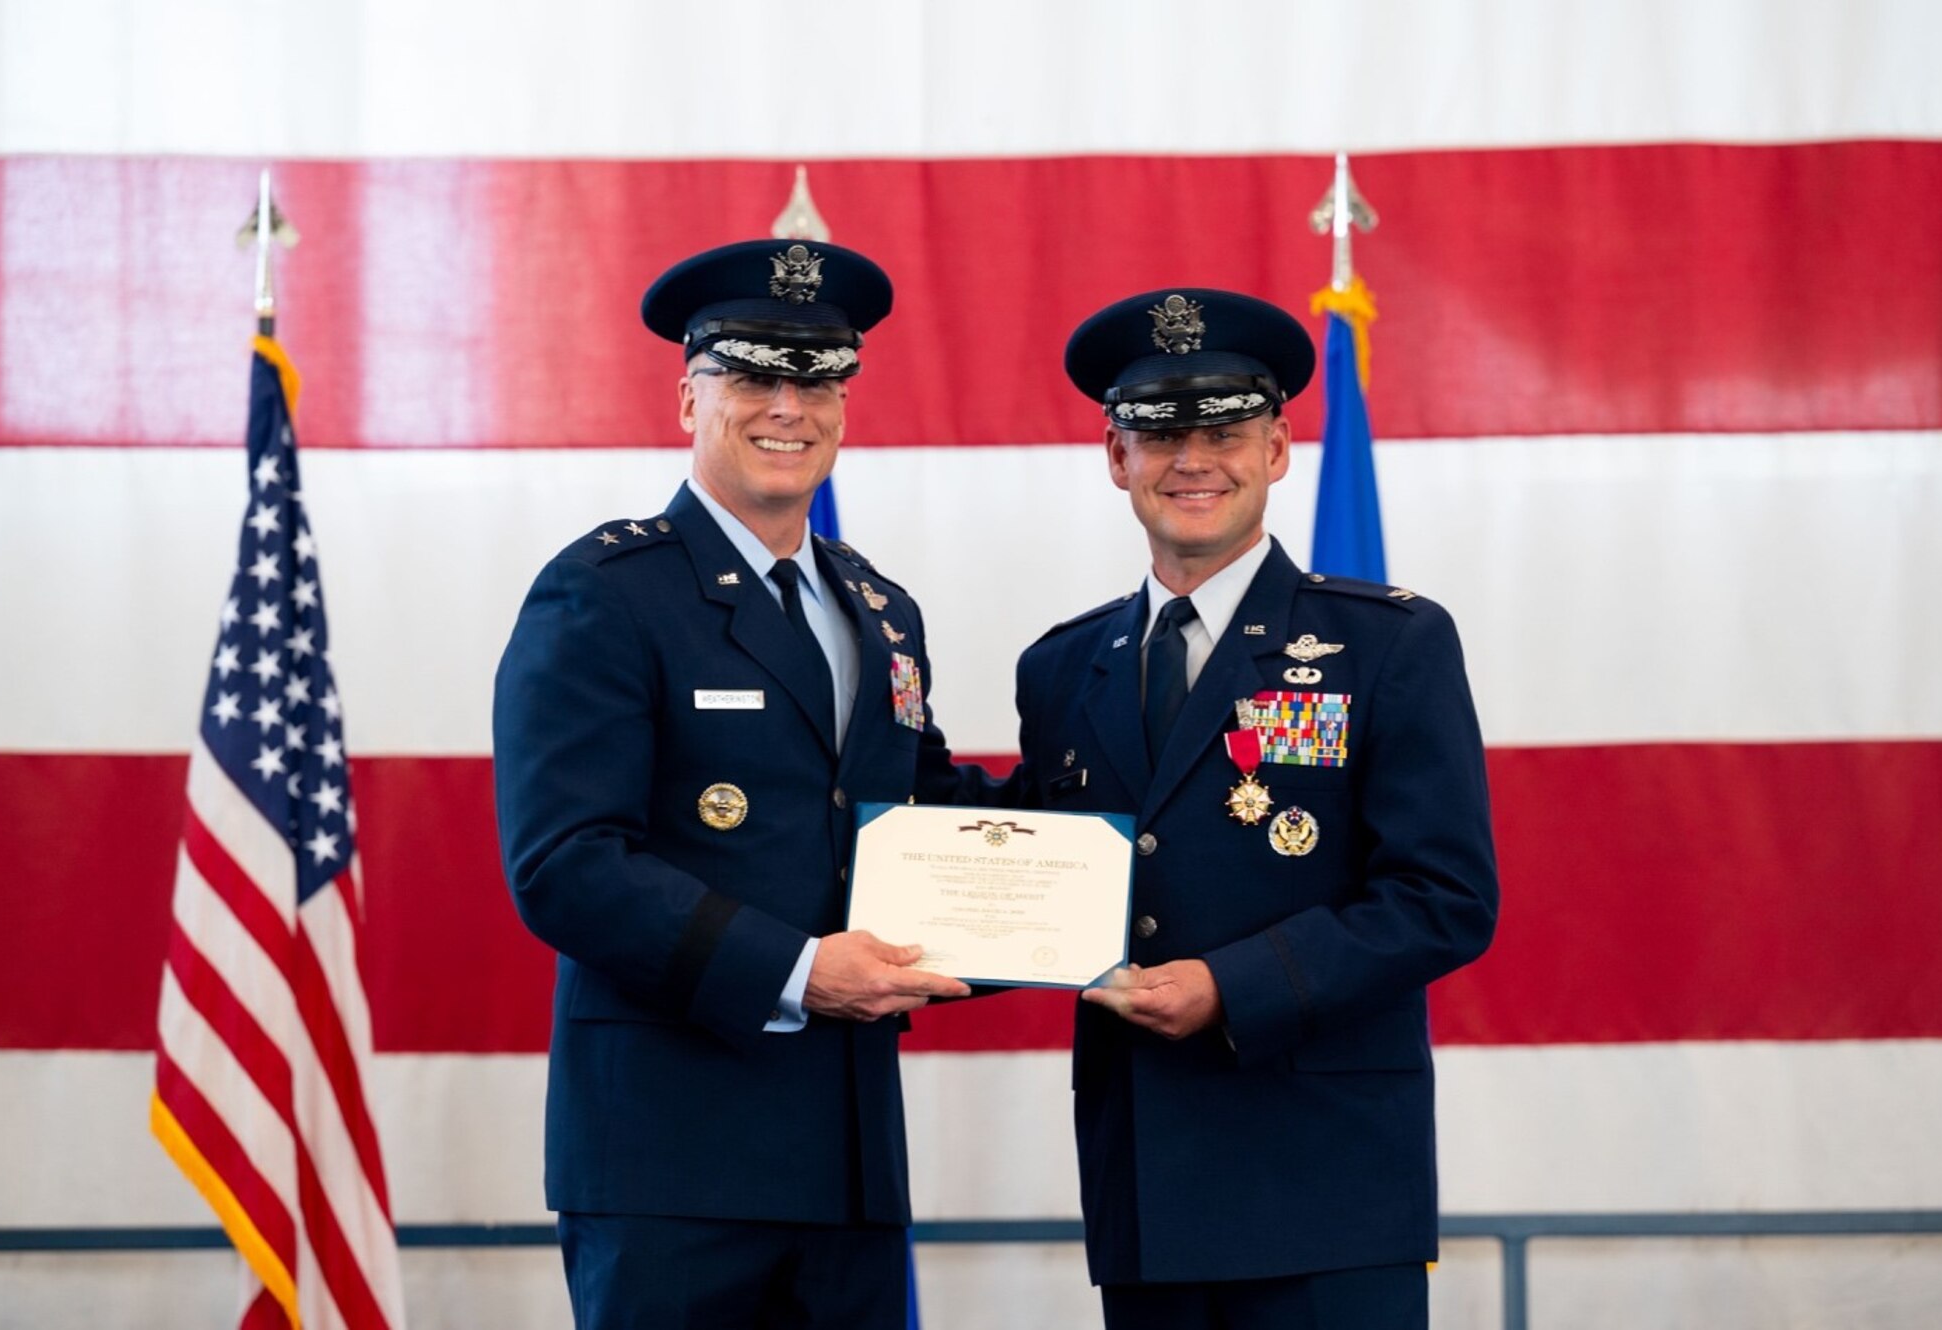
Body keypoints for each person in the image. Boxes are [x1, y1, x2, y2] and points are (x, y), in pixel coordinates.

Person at [493, 238, 988, 1329]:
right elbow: (565, 864)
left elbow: (917, 813)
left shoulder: (877, 606)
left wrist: (1087, 874)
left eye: (813, 379)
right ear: (687, 399)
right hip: (670, 1163)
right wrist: (801, 969)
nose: (786, 406)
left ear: (844, 405)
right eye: (751, 374)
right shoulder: (604, 593)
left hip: (848, 1161)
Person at [1014, 288, 1499, 1329]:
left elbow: (1443, 896)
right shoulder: (1060, 668)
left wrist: (1231, 987)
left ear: (1277, 449)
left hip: (1321, 1184)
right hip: (1143, 1182)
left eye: (1226, 431)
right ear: (1114, 457)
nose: (1194, 460)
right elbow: (1038, 864)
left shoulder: (1388, 646)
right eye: (1159, 434)